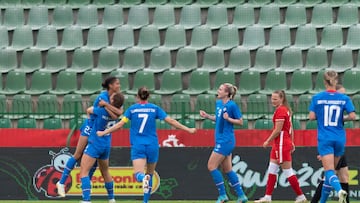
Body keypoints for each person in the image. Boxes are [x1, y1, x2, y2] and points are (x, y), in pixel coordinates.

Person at [97, 87, 196, 203]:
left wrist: (104, 132)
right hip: (152, 146)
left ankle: (143, 178)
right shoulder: (154, 109)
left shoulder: (132, 110)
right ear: (148, 96)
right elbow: (171, 121)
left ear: (137, 97)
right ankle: (145, 201)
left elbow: (120, 124)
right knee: (150, 174)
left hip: (138, 145)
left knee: (139, 174)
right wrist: (188, 129)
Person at [57, 76, 123, 197]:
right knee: (78, 154)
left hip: (100, 131)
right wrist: (90, 118)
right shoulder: (102, 97)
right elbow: (93, 111)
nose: (119, 85)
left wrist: (107, 106)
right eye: (117, 83)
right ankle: (61, 182)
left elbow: (118, 113)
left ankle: (88, 190)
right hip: (91, 127)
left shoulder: (115, 98)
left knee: (96, 162)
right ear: (110, 86)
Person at [308, 71, 356, 203]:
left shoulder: (317, 97)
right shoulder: (344, 98)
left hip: (325, 137)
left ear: (324, 82)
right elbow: (353, 116)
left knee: (329, 172)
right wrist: (342, 118)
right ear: (336, 81)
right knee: (332, 172)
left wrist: (322, 117)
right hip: (339, 137)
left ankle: (339, 190)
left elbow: (311, 116)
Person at [255, 90, 307, 203]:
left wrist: (267, 140)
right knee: (272, 169)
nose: (272, 101)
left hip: (281, 144)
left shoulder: (281, 110)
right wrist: (292, 141)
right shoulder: (284, 110)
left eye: (275, 99)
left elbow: (278, 130)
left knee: (288, 171)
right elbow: (291, 127)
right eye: (272, 99)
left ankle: (301, 196)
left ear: (281, 98)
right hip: (280, 143)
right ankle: (267, 196)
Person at [199, 83, 248, 203]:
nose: (218, 91)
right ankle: (242, 196)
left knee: (211, 166)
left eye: (220, 89)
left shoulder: (232, 105)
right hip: (220, 139)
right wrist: (207, 116)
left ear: (227, 93)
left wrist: (229, 119)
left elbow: (240, 122)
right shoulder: (219, 103)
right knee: (227, 169)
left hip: (226, 140)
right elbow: (218, 118)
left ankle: (222, 195)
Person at [80, 92, 125, 203]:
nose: (109, 98)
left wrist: (104, 105)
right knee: (105, 171)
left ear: (113, 101)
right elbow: (115, 114)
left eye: (111, 98)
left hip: (95, 143)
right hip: (106, 144)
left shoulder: (101, 111)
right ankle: (111, 198)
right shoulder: (116, 116)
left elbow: (89, 110)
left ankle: (86, 200)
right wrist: (107, 106)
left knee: (84, 171)